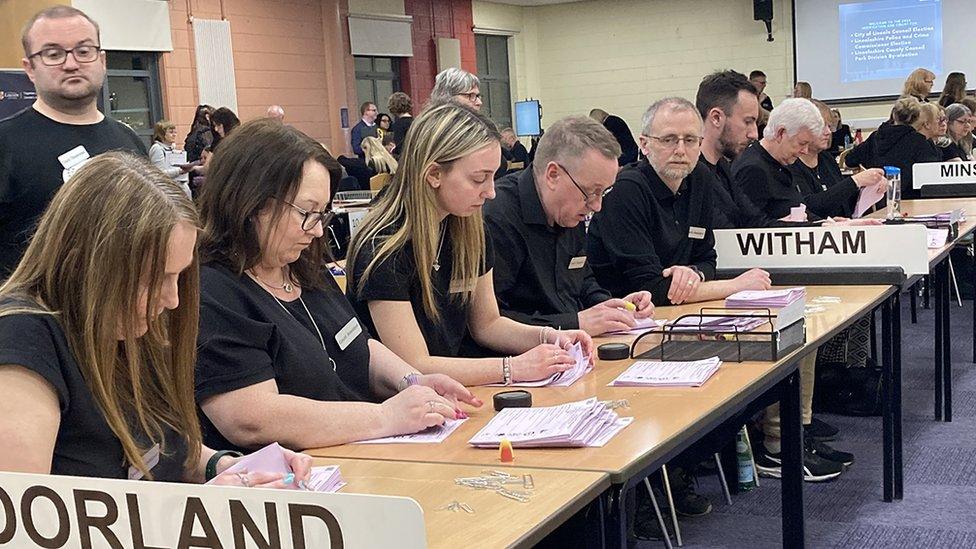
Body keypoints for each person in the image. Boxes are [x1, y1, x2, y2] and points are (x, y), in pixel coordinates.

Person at [0, 151, 311, 487]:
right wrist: (203, 510)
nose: (173, 300)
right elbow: (24, 522)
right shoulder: (23, 339)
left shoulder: (129, 325)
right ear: (86, 266)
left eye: (178, 277)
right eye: (155, 278)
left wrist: (228, 467)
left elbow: (163, 447)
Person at [195, 119, 480, 451]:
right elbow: (251, 418)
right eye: (307, 212)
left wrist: (413, 382)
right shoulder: (213, 290)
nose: (317, 230)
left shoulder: (301, 265)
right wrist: (386, 417)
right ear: (250, 203)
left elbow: (356, 343)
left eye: (323, 213)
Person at [346, 104, 593, 387]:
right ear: (434, 174)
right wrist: (512, 368)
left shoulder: (468, 228)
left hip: (449, 393)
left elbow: (487, 324)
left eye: (493, 176)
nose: (490, 192)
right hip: (401, 403)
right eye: (479, 179)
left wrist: (548, 336)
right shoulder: (384, 246)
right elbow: (415, 365)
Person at [0, 5, 147, 277]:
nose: (71, 63)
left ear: (101, 60)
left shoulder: (129, 140)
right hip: (35, 315)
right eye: (53, 54)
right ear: (30, 68)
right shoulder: (5, 143)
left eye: (83, 51)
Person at [587, 97, 771, 306]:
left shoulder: (699, 177)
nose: (681, 150)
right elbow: (650, 288)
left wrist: (692, 273)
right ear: (645, 145)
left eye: (690, 140)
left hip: (677, 312)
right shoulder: (626, 189)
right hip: (628, 318)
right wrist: (736, 286)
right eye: (669, 139)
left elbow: (707, 259)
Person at [485, 115, 653, 335]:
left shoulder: (569, 210)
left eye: (604, 192)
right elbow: (491, 322)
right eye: (590, 192)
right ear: (553, 175)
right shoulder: (498, 218)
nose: (597, 205)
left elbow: (582, 281)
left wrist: (613, 307)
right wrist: (575, 322)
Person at [695, 70, 795, 229]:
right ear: (716, 118)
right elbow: (732, 234)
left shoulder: (722, 167)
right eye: (748, 122)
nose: (754, 134)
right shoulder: (693, 175)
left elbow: (754, 221)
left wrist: (819, 226)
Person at [732, 98, 827, 220]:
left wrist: (828, 224)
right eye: (802, 143)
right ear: (780, 133)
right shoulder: (753, 170)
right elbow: (751, 227)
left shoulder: (782, 163)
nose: (805, 151)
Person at [791, 100, 887, 219]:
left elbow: (844, 201)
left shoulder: (826, 159)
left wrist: (869, 186)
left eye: (829, 126)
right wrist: (855, 181)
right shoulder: (791, 164)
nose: (828, 132)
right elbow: (809, 206)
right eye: (821, 127)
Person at [844, 97, 941, 200]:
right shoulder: (919, 142)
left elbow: (850, 160)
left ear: (894, 115)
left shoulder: (876, 136)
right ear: (917, 118)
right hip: (909, 199)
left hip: (875, 199)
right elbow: (932, 176)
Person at [148, 119, 191, 197]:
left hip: (179, 187)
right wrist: (180, 171)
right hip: (169, 191)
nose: (174, 135)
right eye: (171, 132)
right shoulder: (157, 148)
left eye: (175, 132)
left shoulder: (172, 148)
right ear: (162, 134)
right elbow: (159, 173)